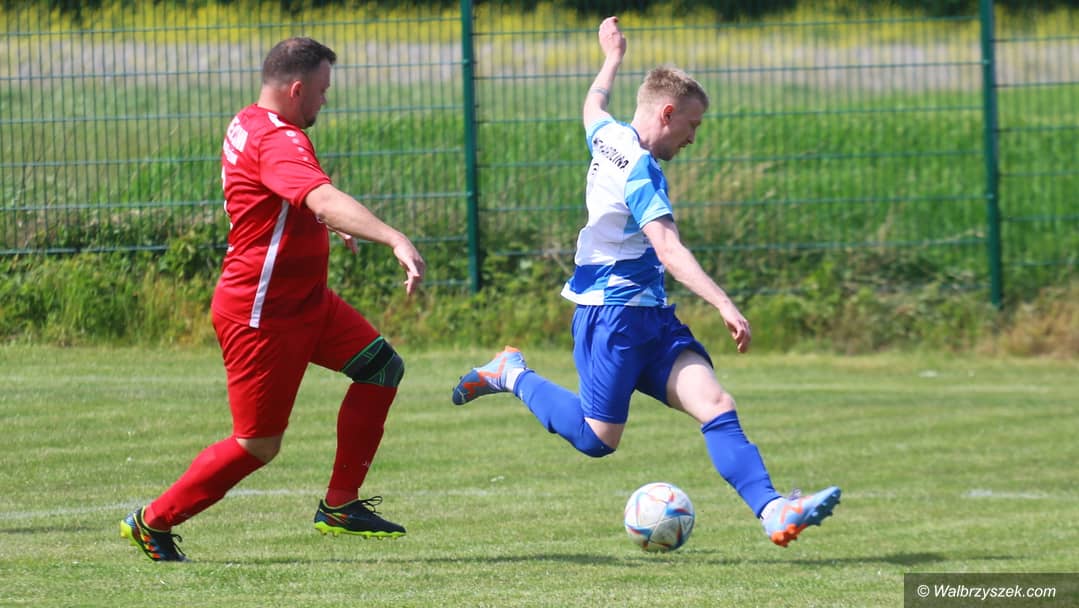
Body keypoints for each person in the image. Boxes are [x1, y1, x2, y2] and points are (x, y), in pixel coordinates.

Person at [452, 17, 839, 548]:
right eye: (692, 125)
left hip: (651, 318)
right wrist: (724, 303)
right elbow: (669, 250)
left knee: (717, 405)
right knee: (596, 439)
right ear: (667, 113)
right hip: (611, 316)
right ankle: (511, 373)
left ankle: (773, 510)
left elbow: (592, 106)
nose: (693, 138)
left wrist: (612, 57)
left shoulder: (608, 136)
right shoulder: (641, 170)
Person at [120, 37, 425, 562]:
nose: (326, 100)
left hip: (305, 301)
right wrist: (393, 237)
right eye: (322, 91)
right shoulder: (278, 140)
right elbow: (320, 197)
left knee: (381, 368)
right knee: (257, 444)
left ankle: (340, 505)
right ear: (297, 89)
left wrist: (321, 221)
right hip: (263, 314)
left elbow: (287, 199)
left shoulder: (249, 121)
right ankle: (153, 521)